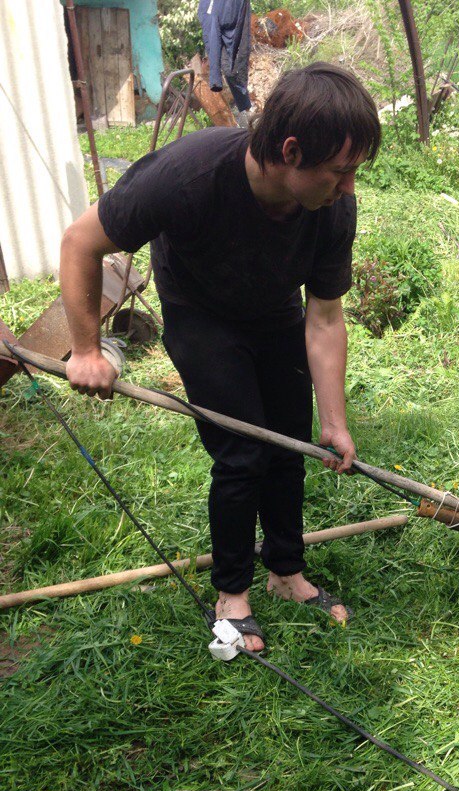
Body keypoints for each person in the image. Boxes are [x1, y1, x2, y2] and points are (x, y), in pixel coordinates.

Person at [59, 63, 381, 653]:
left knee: (292, 441)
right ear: (290, 151)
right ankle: (232, 593)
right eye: (341, 172)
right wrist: (85, 349)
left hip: (273, 310)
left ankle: (286, 572)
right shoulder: (186, 176)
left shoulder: (332, 208)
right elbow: (81, 242)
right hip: (200, 311)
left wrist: (334, 423)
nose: (349, 188)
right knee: (242, 453)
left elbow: (325, 317)